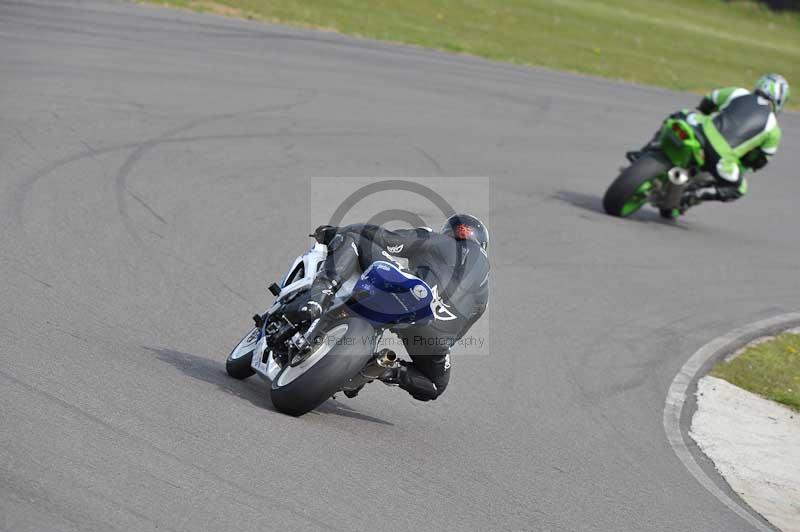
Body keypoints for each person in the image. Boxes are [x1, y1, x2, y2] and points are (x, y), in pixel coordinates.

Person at [283, 214, 490, 402]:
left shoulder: (436, 239)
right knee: (435, 384)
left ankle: (318, 299)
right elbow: (458, 334)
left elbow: (388, 240)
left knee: (354, 239)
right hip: (437, 333)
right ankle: (381, 368)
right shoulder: (484, 294)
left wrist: (337, 232)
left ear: (450, 231)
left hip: (413, 293)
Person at [627, 74, 789, 215]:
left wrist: (706, 111)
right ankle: (694, 196)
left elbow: (709, 101)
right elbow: (760, 161)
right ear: (780, 100)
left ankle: (645, 152)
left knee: (679, 115)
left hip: (701, 132)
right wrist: (747, 160)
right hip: (721, 158)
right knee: (740, 188)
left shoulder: (738, 92)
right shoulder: (774, 130)